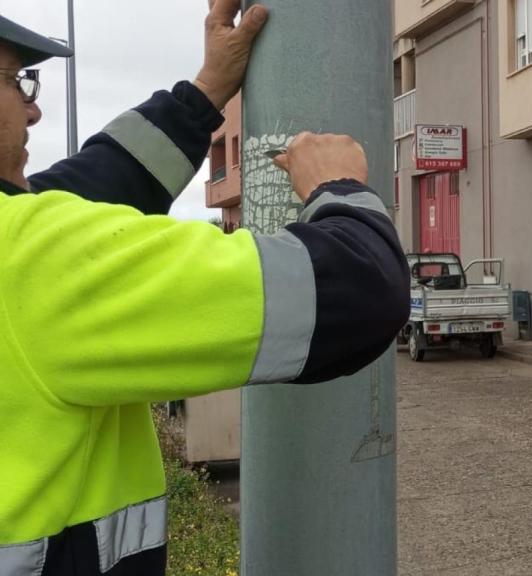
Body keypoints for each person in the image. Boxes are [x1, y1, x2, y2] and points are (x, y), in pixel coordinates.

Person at [0, 2, 409, 574]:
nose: (35, 108)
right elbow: (362, 289)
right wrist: (339, 190)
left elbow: (86, 192)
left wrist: (207, 88)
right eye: (16, 80)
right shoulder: (31, 260)